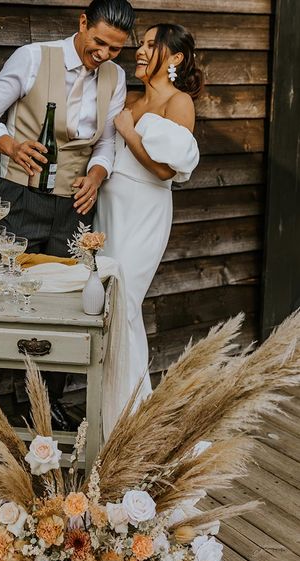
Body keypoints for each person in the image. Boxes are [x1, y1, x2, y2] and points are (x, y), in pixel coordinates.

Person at [0, 0, 136, 430]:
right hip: (19, 197)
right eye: (99, 42)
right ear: (82, 23)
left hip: (75, 207)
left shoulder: (115, 77)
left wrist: (97, 177)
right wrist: (12, 147)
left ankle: (44, 405)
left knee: (66, 303)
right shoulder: (32, 57)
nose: (104, 55)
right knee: (3, 296)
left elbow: (106, 144)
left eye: (115, 49)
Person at [95, 23, 202, 402]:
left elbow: (164, 170)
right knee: (107, 306)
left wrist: (128, 131)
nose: (140, 50)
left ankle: (133, 414)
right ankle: (110, 408)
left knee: (124, 305)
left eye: (151, 44)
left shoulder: (179, 102)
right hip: (109, 210)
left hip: (144, 213)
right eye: (141, 43)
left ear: (175, 57)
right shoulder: (131, 100)